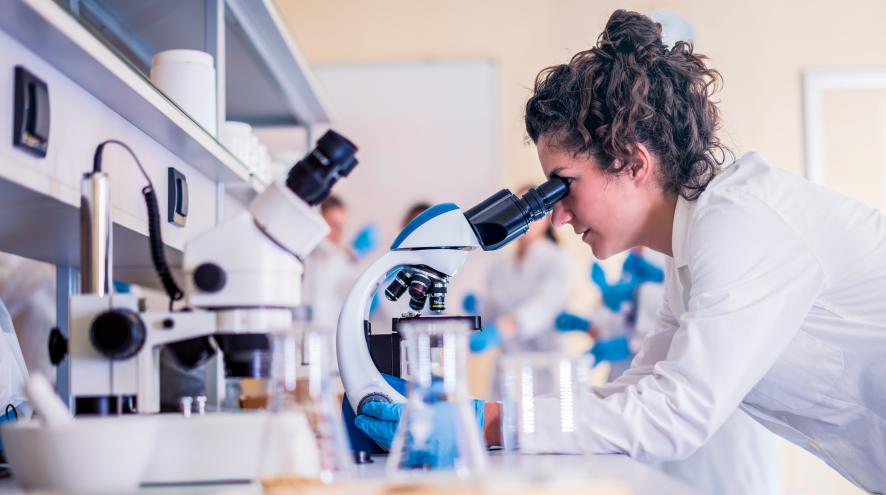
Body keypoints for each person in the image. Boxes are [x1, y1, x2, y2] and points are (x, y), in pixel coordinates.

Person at [358, 10, 886, 492]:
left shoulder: (741, 222)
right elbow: (640, 389)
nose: (558, 215)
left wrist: (486, 423)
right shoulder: (696, 240)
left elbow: (673, 415)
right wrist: (487, 415)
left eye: (563, 185)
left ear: (633, 163)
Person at [558, 248, 779, 495]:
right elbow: (634, 319)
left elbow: (693, 318)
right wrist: (594, 325)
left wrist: (638, 301)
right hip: (667, 405)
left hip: (718, 405)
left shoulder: (693, 244)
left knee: (722, 478)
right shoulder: (636, 257)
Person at [467, 186, 573, 354]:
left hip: (545, 362)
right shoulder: (500, 265)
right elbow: (493, 311)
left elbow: (543, 306)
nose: (525, 216)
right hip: (508, 363)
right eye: (517, 209)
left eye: (532, 210)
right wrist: (477, 308)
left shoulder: (556, 258)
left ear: (546, 217)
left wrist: (501, 329)